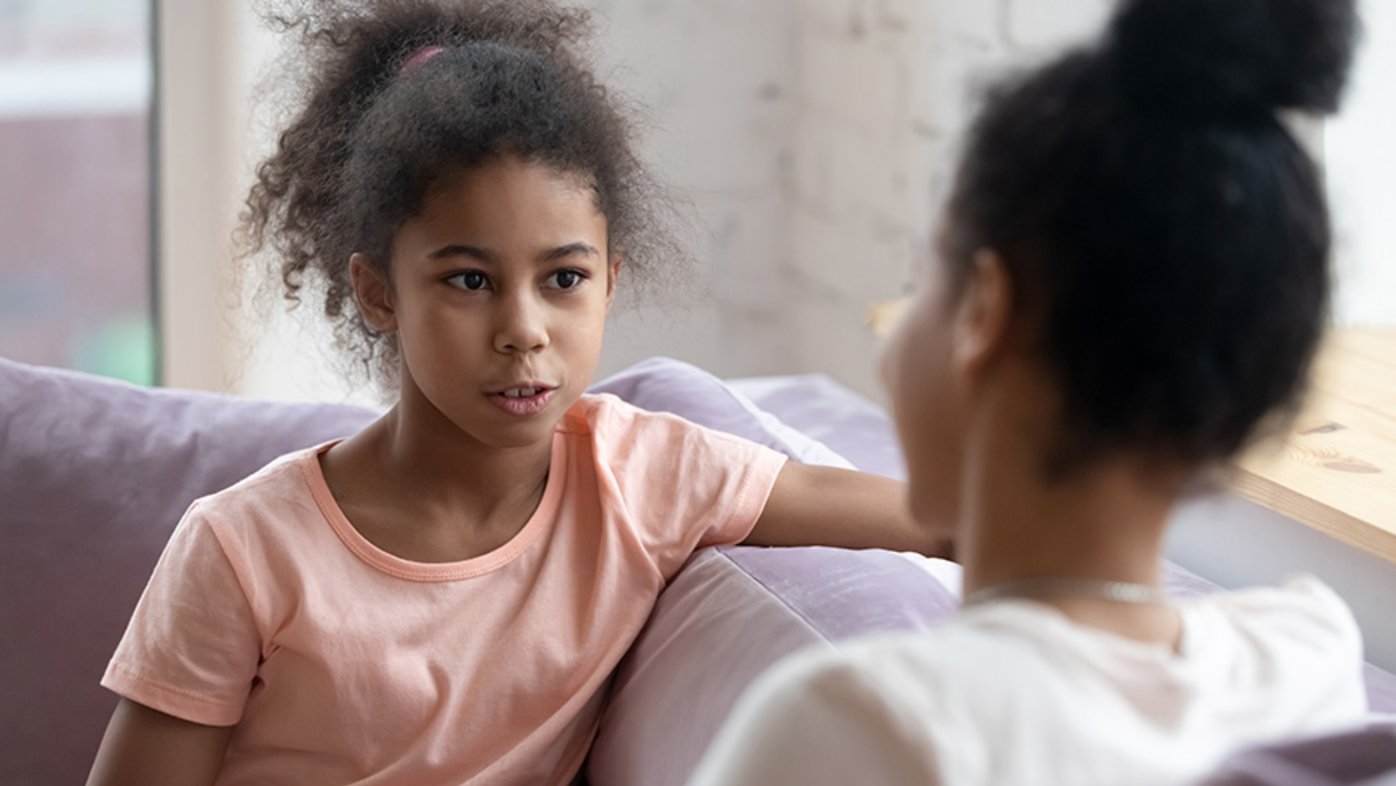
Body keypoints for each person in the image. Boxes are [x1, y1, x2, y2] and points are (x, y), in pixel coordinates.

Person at [83, 2, 945, 784]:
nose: (523, 329)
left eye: (564, 278)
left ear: (611, 281)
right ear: (379, 292)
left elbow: (908, 509)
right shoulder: (241, 551)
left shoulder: (638, 476)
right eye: (467, 281)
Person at [691, 0, 1369, 784]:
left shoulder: (864, 728)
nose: (889, 349)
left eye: (922, 283)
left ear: (984, 311)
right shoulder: (1303, 659)